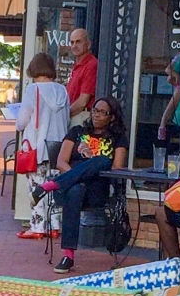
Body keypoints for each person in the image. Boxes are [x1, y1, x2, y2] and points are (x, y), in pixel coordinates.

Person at [32, 96, 128, 273]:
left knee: (103, 161)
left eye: (102, 112)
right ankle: (68, 255)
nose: (96, 115)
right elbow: (61, 162)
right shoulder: (76, 132)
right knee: (75, 189)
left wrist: (90, 169)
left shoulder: (118, 138)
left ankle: (47, 186)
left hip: (96, 192)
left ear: (112, 117)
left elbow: (117, 168)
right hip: (69, 188)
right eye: (94, 110)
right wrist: (75, 177)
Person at [15, 52, 70, 240]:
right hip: (59, 148)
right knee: (54, 187)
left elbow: (21, 121)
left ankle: (38, 226)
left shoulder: (33, 90)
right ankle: (55, 225)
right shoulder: (63, 91)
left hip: (38, 148)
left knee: (36, 188)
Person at [66, 29, 98, 127]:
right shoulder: (78, 64)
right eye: (72, 42)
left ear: (88, 44)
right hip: (73, 115)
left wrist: (64, 115)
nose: (74, 46)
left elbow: (83, 101)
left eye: (78, 42)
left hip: (80, 116)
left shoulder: (91, 64)